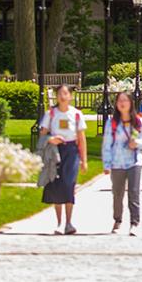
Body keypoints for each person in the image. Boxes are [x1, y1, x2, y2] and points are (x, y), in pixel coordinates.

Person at [38, 85, 88, 235]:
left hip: (71, 151)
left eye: (65, 93)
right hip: (55, 152)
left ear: (70, 96)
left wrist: (84, 159)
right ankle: (59, 222)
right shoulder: (51, 114)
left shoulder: (76, 114)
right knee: (56, 184)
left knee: (68, 184)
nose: (62, 96)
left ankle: (69, 222)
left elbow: (81, 138)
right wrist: (51, 139)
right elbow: (42, 134)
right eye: (59, 94)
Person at [102, 92, 142, 236]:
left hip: (134, 162)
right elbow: (107, 144)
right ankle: (118, 220)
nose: (122, 103)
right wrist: (107, 164)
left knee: (134, 193)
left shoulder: (138, 122)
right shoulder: (112, 123)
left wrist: (137, 143)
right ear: (116, 104)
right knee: (117, 194)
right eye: (119, 101)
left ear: (131, 103)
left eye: (125, 100)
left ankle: (135, 222)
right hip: (117, 163)